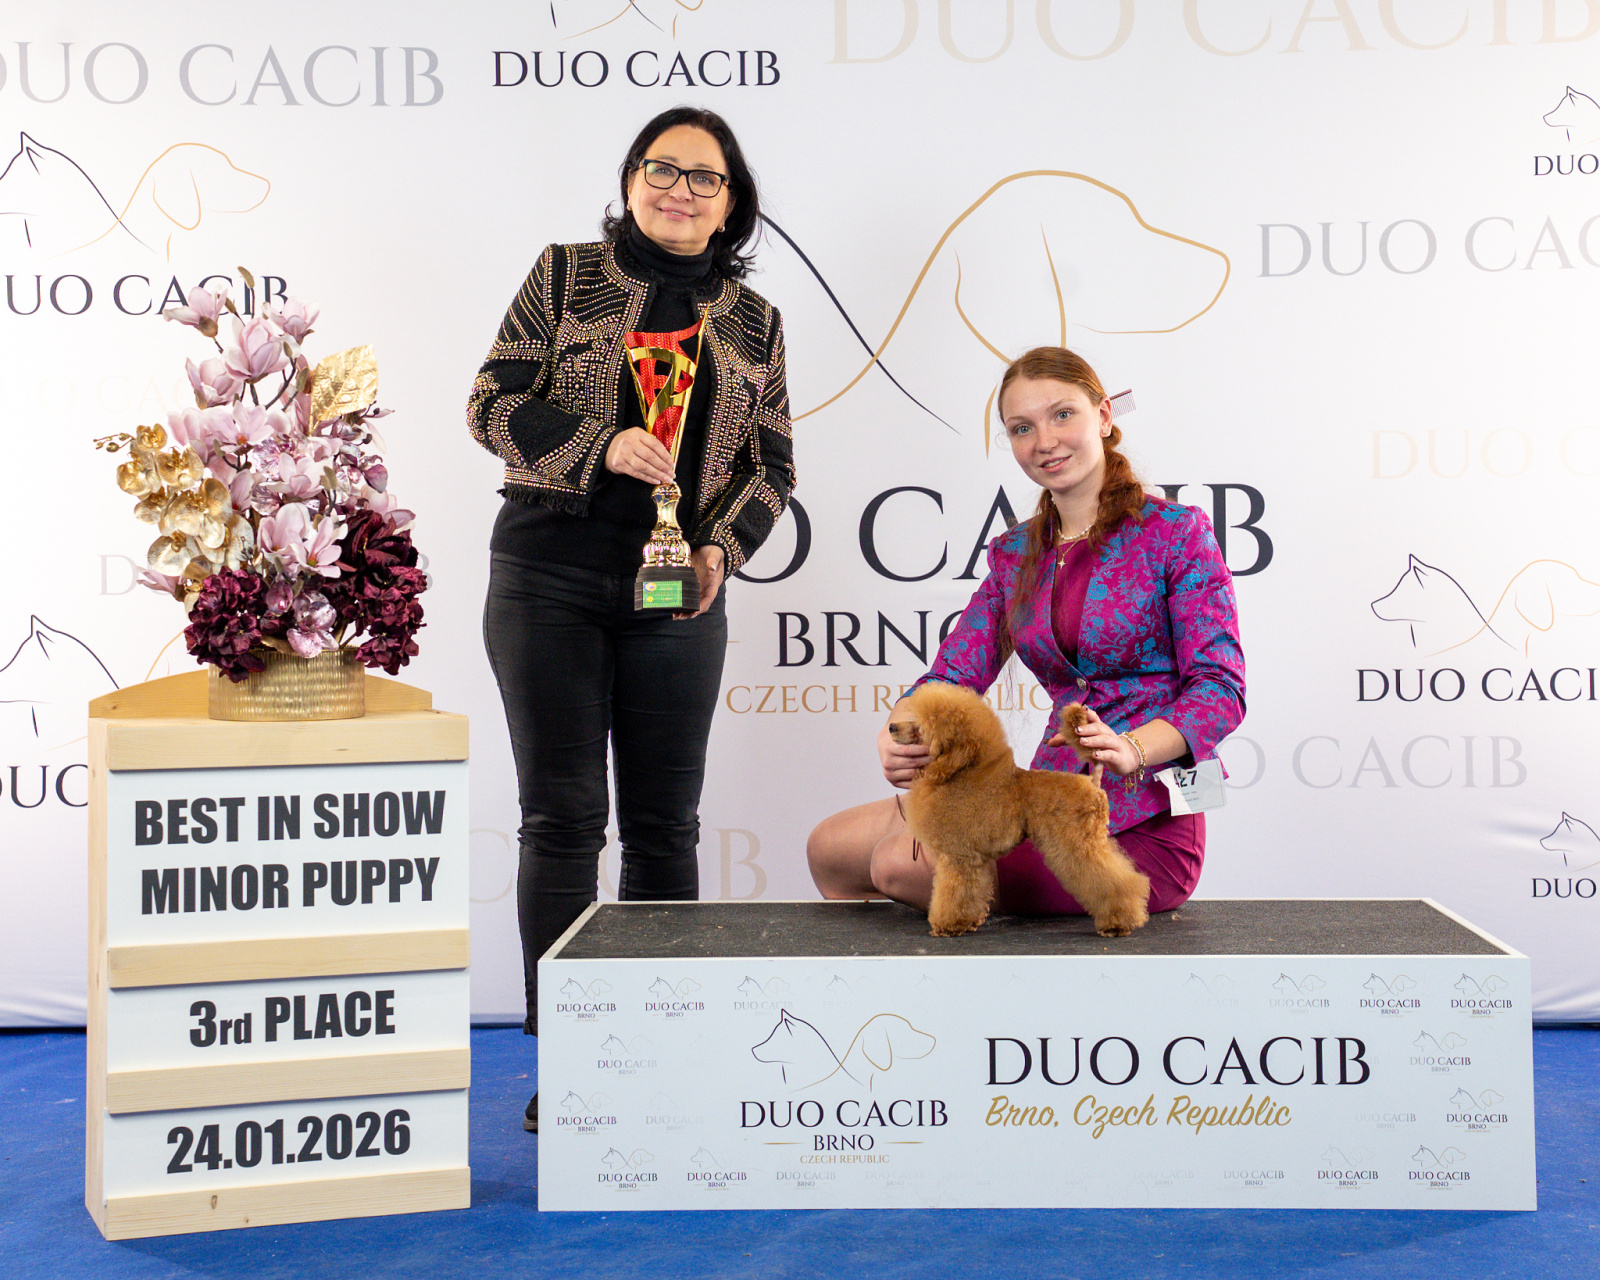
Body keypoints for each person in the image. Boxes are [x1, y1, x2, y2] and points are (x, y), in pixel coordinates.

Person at [469, 107, 793, 1131]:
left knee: (663, 828)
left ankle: (652, 1051)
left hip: (676, 595)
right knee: (562, 820)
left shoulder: (755, 321)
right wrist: (599, 444)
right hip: (547, 578)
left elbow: (772, 467)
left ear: (730, 203)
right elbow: (490, 403)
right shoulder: (565, 275)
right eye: (663, 168)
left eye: (704, 177)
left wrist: (718, 549)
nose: (679, 190)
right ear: (630, 179)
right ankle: (571, 1061)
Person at [807, 346, 1243, 919]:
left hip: (1147, 821)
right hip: (1039, 796)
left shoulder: (1176, 532)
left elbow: (1220, 691)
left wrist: (1133, 748)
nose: (1044, 441)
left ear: (1103, 416)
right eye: (1022, 427)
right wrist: (900, 728)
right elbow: (953, 674)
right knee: (831, 849)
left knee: (897, 863)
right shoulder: (1014, 553)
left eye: (1062, 415)